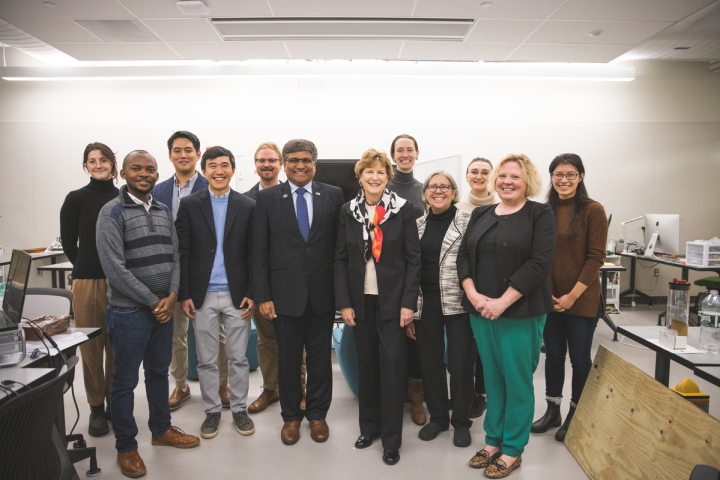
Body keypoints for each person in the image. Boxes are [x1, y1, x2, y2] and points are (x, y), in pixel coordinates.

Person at [97, 150, 200, 478]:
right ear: (123, 173)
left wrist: (171, 295)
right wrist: (153, 301)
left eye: (150, 169)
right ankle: (126, 447)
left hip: (163, 310)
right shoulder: (111, 212)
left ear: (158, 174)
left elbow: (175, 256)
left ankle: (161, 430)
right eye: (136, 168)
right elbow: (115, 269)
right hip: (129, 312)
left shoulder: (162, 208)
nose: (144, 173)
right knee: (125, 381)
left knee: (158, 373)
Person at [458, 154, 556, 478]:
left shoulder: (539, 214)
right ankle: (492, 441)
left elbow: (539, 262)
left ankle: (513, 448)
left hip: (520, 313)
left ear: (527, 180)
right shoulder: (482, 214)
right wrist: (473, 294)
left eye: (515, 176)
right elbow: (464, 258)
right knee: (492, 379)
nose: (507, 182)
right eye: (502, 176)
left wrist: (502, 302)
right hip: (481, 311)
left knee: (516, 381)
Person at [254, 139, 344, 445]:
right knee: (289, 360)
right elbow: (260, 252)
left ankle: (318, 414)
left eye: (306, 160)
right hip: (283, 295)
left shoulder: (332, 195)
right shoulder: (267, 199)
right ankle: (290, 417)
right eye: (293, 160)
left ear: (315, 163)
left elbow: (339, 250)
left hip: (322, 294)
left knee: (320, 359)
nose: (300, 165)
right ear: (283, 162)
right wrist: (264, 295)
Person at [335, 149, 421, 465]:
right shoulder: (348, 211)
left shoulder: (403, 210)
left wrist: (408, 304)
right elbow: (340, 259)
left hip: (393, 304)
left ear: (388, 177)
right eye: (368, 172)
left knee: (393, 368)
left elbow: (414, 260)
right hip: (360, 302)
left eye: (380, 172)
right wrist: (344, 303)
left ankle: (391, 439)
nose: (374, 177)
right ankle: (368, 428)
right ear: (360, 176)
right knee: (367, 366)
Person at [176, 146, 257, 439]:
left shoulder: (247, 205)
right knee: (206, 359)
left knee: (239, 358)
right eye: (212, 166)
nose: (219, 171)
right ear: (204, 169)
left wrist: (252, 291)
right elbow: (182, 252)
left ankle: (239, 409)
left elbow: (254, 253)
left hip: (238, 295)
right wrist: (185, 293)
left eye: (224, 165)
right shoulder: (189, 205)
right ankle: (211, 411)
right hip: (202, 294)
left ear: (233, 170)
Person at [531, 153, 607, 442]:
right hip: (549, 299)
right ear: (551, 177)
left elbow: (595, 257)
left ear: (581, 177)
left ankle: (577, 414)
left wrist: (572, 296)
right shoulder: (543, 210)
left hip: (582, 298)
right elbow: (541, 256)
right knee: (553, 356)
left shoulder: (593, 210)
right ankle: (553, 411)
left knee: (579, 358)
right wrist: (548, 295)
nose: (564, 180)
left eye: (570, 174)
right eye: (558, 174)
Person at [152, 131, 230, 411]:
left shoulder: (211, 184)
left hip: (203, 272)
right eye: (176, 150)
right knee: (174, 332)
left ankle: (222, 383)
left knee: (216, 334)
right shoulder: (158, 190)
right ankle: (181, 385)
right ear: (170, 155)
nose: (182, 155)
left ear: (198, 155)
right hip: (168, 271)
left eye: (188, 150)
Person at [60, 142, 119, 437]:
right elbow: (69, 243)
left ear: (113, 163)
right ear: (86, 166)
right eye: (92, 161)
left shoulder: (125, 197)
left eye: (103, 160)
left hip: (121, 283)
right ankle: (96, 408)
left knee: (118, 348)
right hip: (88, 281)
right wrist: (87, 266)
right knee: (92, 349)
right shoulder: (75, 199)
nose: (98, 165)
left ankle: (114, 403)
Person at [411, 171, 475, 448]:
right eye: (432, 187)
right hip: (426, 305)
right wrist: (411, 310)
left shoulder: (469, 222)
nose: (438, 191)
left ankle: (461, 421)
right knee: (431, 363)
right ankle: (438, 418)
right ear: (425, 193)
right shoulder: (416, 225)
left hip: (460, 303)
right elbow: (410, 269)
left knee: (461, 365)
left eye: (444, 186)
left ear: (453, 191)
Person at [243, 142, 307, 414]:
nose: (266, 165)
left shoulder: (296, 195)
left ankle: (300, 391)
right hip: (261, 285)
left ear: (280, 163)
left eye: (272, 160)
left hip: (292, 283)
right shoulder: (245, 200)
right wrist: (256, 290)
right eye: (261, 160)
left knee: (297, 341)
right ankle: (270, 388)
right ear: (255, 164)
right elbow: (247, 249)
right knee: (267, 340)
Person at [388, 133, 426, 426]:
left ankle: (415, 395)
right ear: (393, 155)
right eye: (399, 150)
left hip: (415, 271)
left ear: (416, 154)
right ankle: (391, 393)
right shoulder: (381, 186)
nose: (404, 154)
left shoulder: (424, 189)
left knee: (415, 339)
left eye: (409, 150)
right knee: (390, 338)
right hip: (386, 275)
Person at [456, 157, 498, 419]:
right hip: (462, 284)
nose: (479, 176)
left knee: (487, 346)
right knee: (465, 345)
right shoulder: (456, 207)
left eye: (485, 172)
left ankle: (483, 393)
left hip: (492, 286)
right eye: (474, 172)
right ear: (467, 175)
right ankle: (466, 392)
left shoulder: (502, 205)